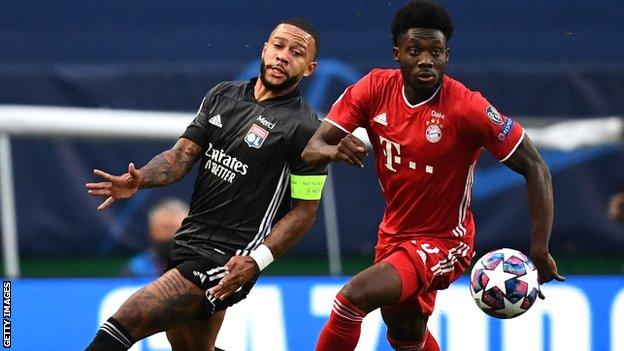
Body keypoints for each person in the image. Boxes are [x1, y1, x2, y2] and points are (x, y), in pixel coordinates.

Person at [301, 1, 565, 350]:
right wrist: (334, 150)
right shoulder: (373, 89)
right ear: (398, 54)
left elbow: (535, 166)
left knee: (352, 298)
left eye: (435, 52)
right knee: (405, 332)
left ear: (446, 55)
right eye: (415, 51)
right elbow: (312, 148)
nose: (426, 60)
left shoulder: (468, 107)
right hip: (393, 234)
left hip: (445, 242)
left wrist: (540, 248)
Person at [84, 18, 326, 351]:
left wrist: (258, 261)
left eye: (296, 53)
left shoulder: (306, 128)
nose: (283, 56)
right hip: (187, 243)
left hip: (227, 260)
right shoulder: (222, 96)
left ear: (309, 68)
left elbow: (304, 213)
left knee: (128, 319)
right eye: (279, 46)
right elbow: (179, 158)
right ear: (265, 48)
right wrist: (139, 180)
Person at [120, 198, 189, 277]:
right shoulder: (135, 270)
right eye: (166, 228)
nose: (173, 235)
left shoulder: (202, 268)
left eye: (180, 229)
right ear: (151, 232)